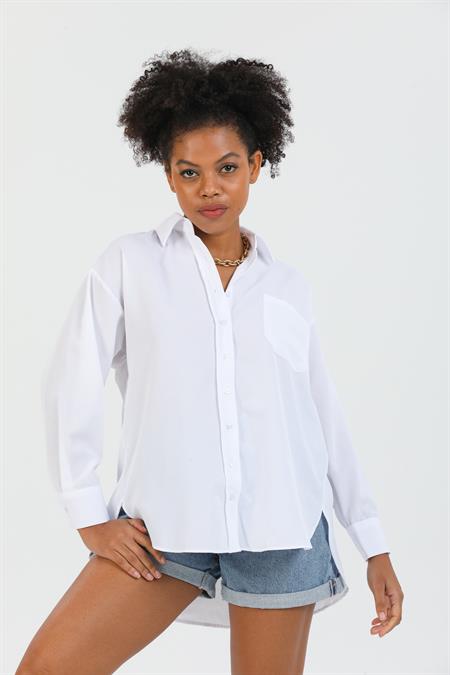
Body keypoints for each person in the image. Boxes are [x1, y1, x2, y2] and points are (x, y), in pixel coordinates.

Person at [16, 48, 403, 675]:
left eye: (226, 168)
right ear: (169, 177)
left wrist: (373, 543)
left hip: (282, 530)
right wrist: (88, 517)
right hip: (164, 528)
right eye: (189, 172)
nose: (209, 188)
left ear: (256, 165)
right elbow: (71, 382)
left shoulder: (287, 287)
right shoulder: (130, 264)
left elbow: (320, 419)